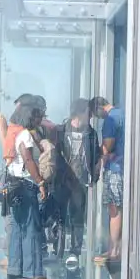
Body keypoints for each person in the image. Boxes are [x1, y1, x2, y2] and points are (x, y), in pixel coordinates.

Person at [6, 103, 53, 279]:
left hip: (14, 184)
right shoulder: (25, 135)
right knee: (32, 230)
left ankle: (15, 268)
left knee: (18, 228)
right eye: (37, 117)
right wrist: (40, 182)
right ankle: (34, 272)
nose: (39, 121)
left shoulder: (16, 133)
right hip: (26, 185)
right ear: (30, 117)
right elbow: (28, 159)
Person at [55, 98, 101, 268]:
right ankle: (58, 248)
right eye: (87, 112)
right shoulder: (60, 131)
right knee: (59, 214)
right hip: (62, 179)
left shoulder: (91, 134)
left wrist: (93, 178)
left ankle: (74, 250)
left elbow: (96, 157)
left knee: (77, 216)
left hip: (80, 180)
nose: (90, 116)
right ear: (79, 113)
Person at [91, 96, 125, 265]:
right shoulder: (124, 114)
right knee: (121, 208)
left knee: (114, 209)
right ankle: (117, 248)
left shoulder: (110, 119)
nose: (98, 119)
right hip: (126, 168)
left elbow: (108, 145)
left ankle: (114, 250)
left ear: (99, 109)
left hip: (115, 170)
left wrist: (98, 160)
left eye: (96, 115)